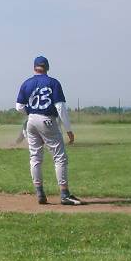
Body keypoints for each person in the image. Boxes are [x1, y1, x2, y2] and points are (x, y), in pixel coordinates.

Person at [16, 56, 82, 205]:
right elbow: (60, 107)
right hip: (47, 120)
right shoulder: (53, 82)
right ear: (47, 67)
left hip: (31, 121)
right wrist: (69, 130)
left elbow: (19, 107)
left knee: (35, 157)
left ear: (34, 67)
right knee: (60, 158)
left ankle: (40, 193)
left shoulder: (26, 83)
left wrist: (32, 113)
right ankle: (64, 194)